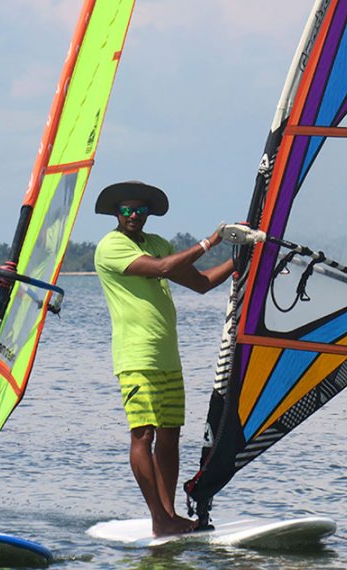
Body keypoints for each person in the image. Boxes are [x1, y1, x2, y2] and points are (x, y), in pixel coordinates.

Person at [93, 180, 234, 537]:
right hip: (136, 356)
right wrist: (210, 242)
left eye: (140, 210)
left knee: (170, 434)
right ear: (116, 213)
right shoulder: (110, 247)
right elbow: (162, 269)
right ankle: (159, 518)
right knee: (143, 435)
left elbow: (201, 283)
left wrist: (241, 260)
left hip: (168, 355)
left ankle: (170, 516)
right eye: (127, 210)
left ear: (148, 214)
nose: (134, 216)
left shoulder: (157, 244)